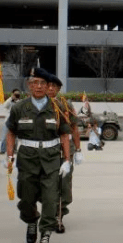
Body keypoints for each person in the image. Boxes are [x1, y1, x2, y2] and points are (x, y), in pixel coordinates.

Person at [5, 67, 72, 243]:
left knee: (51, 200)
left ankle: (45, 236)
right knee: (26, 199)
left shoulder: (57, 107)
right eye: (35, 83)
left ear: (48, 86)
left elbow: (64, 134)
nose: (39, 86)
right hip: (27, 159)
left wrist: (67, 160)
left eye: (43, 83)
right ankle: (32, 221)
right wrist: (9, 156)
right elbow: (11, 132)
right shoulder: (19, 108)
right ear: (29, 85)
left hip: (51, 160)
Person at [46, 74, 82, 234]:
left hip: (65, 150)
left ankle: (59, 214)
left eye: (54, 86)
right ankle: (50, 215)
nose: (51, 89)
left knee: (65, 185)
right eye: (49, 85)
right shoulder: (38, 106)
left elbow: (74, 127)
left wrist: (78, 149)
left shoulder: (65, 105)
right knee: (48, 185)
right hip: (46, 151)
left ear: (59, 89)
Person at [0, 88, 22, 154]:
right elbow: (5, 106)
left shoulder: (20, 101)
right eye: (15, 94)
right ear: (12, 94)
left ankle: (14, 149)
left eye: (18, 94)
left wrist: (17, 100)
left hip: (16, 121)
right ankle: (2, 150)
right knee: (4, 136)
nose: (17, 95)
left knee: (16, 137)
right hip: (8, 121)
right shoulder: (9, 101)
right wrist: (11, 98)